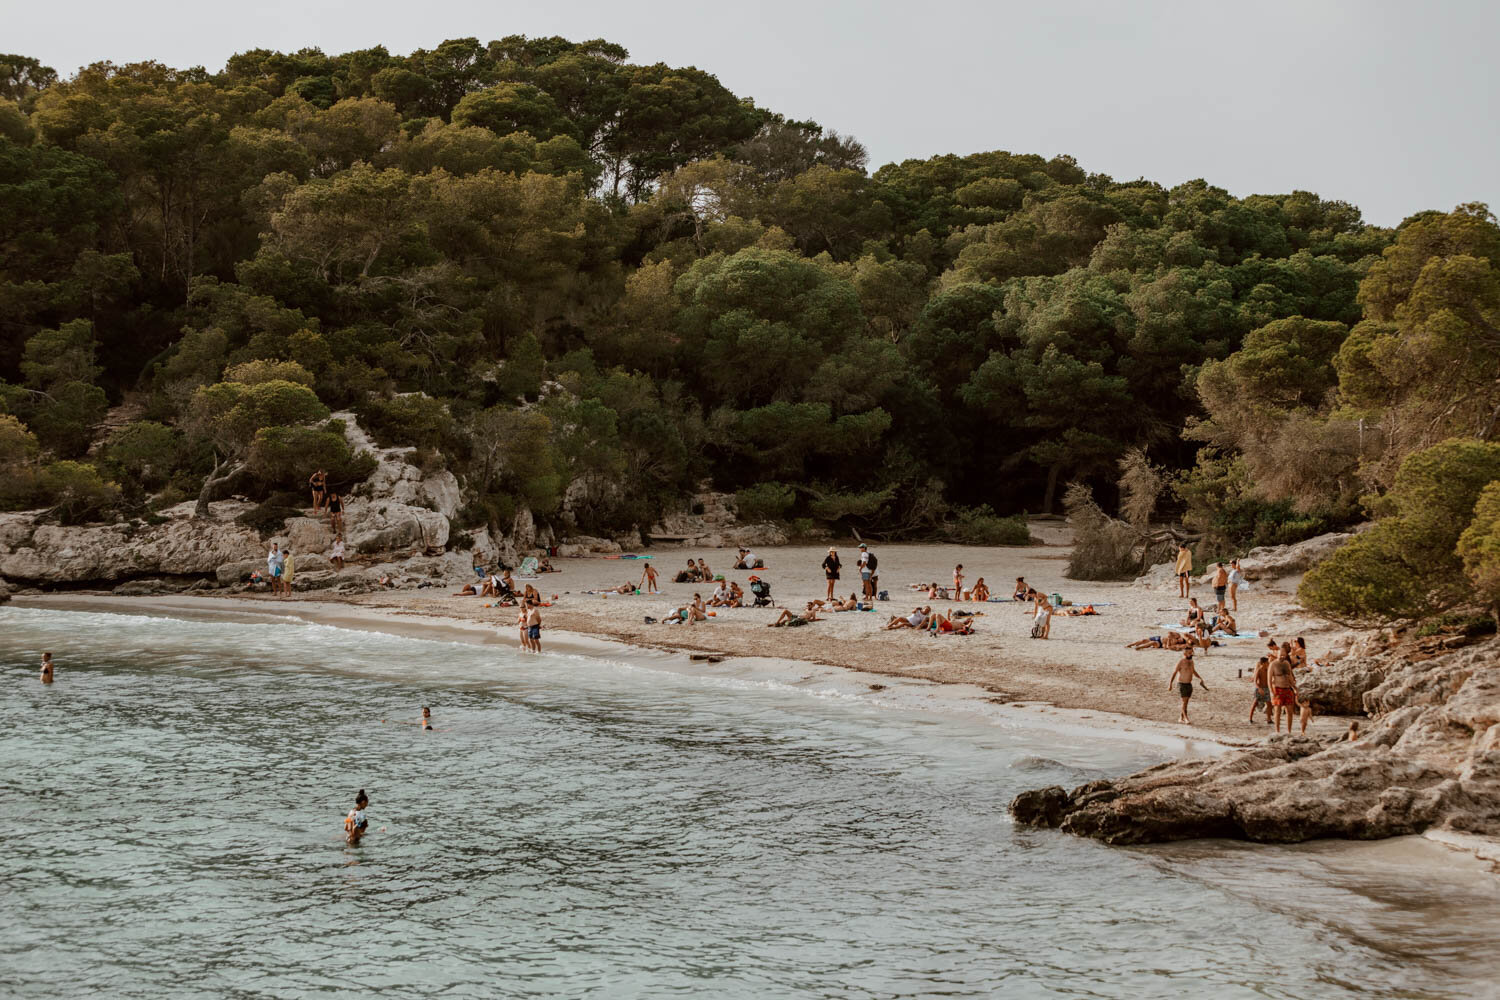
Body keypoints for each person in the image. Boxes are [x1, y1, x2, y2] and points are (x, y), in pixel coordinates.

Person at [1168, 647, 1208, 724]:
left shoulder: (1191, 661)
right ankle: (1186, 719)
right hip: (1181, 684)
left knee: (1186, 702)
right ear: (1184, 653)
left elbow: (1193, 671)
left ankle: (1181, 718)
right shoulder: (1181, 662)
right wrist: (1170, 684)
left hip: (1189, 684)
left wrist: (1200, 678)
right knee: (1184, 702)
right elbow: (1174, 672)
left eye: (1191, 652)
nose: (1191, 654)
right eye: (1189, 652)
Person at [1268, 647, 1299, 733]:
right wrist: (1271, 691)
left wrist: (1295, 688)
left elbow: (1290, 677)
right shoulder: (1273, 664)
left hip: (1287, 689)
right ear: (1277, 654)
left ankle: (1289, 731)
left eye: (1284, 655)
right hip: (1277, 689)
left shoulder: (1287, 663)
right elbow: (1269, 679)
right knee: (1278, 711)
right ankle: (1277, 731)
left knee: (1290, 711)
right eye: (1280, 655)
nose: (1282, 656)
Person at [1249, 656, 1272, 725]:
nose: (1268, 663)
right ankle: (1250, 718)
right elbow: (1255, 682)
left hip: (1267, 688)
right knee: (1255, 703)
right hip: (1260, 688)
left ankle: (1269, 719)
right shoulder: (1259, 670)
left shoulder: (1268, 670)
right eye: (1267, 662)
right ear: (1263, 663)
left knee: (1269, 704)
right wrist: (1259, 689)